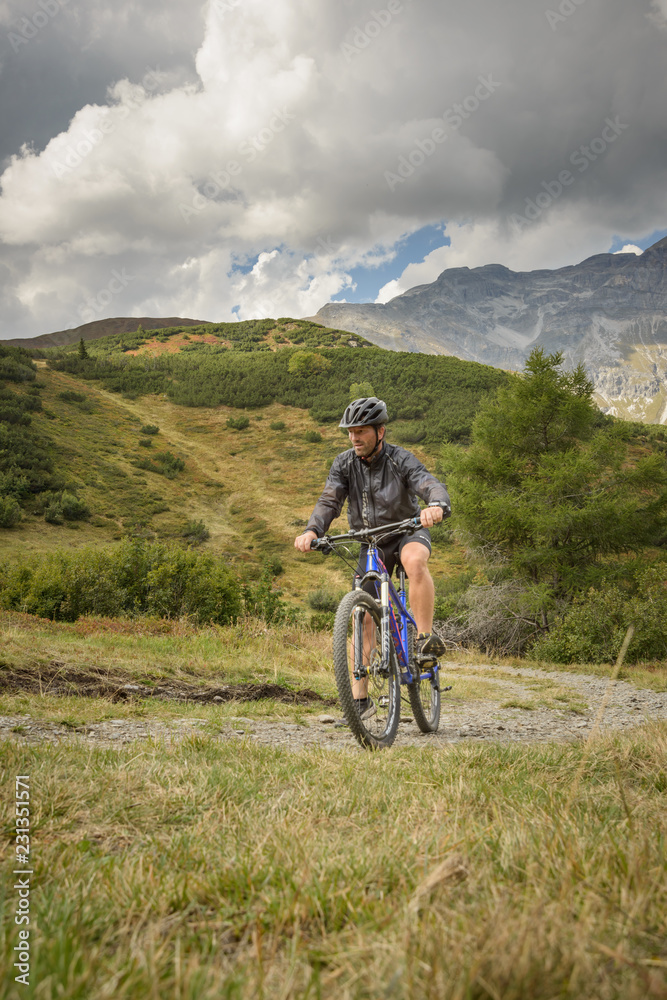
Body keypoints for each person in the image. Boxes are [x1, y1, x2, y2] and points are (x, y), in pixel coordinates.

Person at [295, 397, 451, 716]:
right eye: (351, 431)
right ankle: (360, 705)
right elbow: (329, 501)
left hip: (407, 530)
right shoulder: (343, 464)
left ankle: (424, 639)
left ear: (380, 431)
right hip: (370, 542)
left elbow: (426, 482)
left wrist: (436, 504)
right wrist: (313, 531)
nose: (354, 437)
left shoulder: (399, 459)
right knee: (361, 616)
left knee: (415, 561)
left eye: (361, 430)